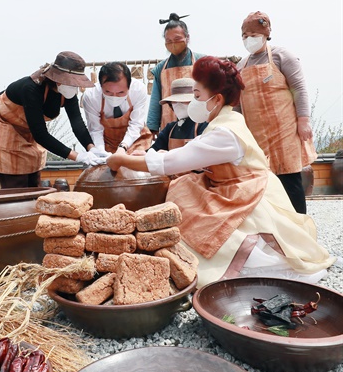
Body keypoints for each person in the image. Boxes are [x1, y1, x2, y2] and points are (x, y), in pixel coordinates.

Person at [107, 56, 335, 288]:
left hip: (245, 194)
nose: (189, 103)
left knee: (214, 233)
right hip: (230, 186)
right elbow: (176, 155)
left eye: (196, 96)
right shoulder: (224, 119)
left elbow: (174, 161)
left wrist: (122, 160)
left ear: (216, 99)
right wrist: (143, 157)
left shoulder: (224, 133)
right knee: (184, 188)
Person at [235, 11, 317, 214]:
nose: (249, 39)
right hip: (255, 136)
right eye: (245, 36)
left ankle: (301, 233)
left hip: (284, 135)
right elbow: (237, 102)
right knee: (263, 187)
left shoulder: (282, 56)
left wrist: (303, 120)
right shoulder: (241, 65)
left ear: (265, 33)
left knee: (290, 183)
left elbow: (299, 88)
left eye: (253, 34)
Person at [0, 51, 105, 189]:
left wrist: (91, 148)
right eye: (72, 83)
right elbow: (41, 134)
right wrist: (78, 157)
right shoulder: (31, 88)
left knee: (34, 182)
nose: (75, 87)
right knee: (16, 185)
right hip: (8, 126)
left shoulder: (67, 92)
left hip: (30, 129)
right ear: (58, 79)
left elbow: (77, 123)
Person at [146, 13, 204, 136]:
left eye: (177, 39)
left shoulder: (202, 62)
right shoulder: (160, 68)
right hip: (170, 123)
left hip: (200, 122)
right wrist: (152, 128)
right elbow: (155, 99)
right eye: (168, 41)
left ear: (187, 38)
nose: (173, 44)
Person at [81, 62, 152, 154]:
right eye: (108, 92)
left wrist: (123, 147)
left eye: (120, 92)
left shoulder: (138, 90)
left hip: (136, 141)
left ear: (129, 86)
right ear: (100, 85)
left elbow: (136, 124)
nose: (114, 97)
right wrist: (100, 151)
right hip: (107, 143)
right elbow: (95, 129)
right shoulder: (91, 96)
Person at [150, 77, 208, 152]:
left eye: (182, 101)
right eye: (175, 102)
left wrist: (167, 156)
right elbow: (152, 151)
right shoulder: (170, 129)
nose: (178, 105)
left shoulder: (204, 126)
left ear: (194, 102)